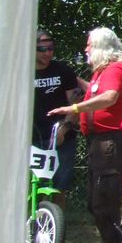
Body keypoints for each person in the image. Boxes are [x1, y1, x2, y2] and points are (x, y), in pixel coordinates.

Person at [48, 27, 122, 243]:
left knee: (104, 198)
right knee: (96, 199)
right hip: (99, 143)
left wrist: (74, 108)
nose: (86, 49)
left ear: (102, 47)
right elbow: (94, 95)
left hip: (112, 142)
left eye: (90, 44)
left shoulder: (116, 69)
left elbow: (109, 97)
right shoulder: (100, 73)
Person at [32, 30, 85, 194]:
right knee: (29, 185)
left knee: (59, 188)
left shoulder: (63, 71)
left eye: (51, 48)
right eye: (42, 49)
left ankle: (56, 212)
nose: (47, 53)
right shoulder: (22, 71)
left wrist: (65, 127)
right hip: (32, 138)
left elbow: (75, 103)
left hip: (61, 138)